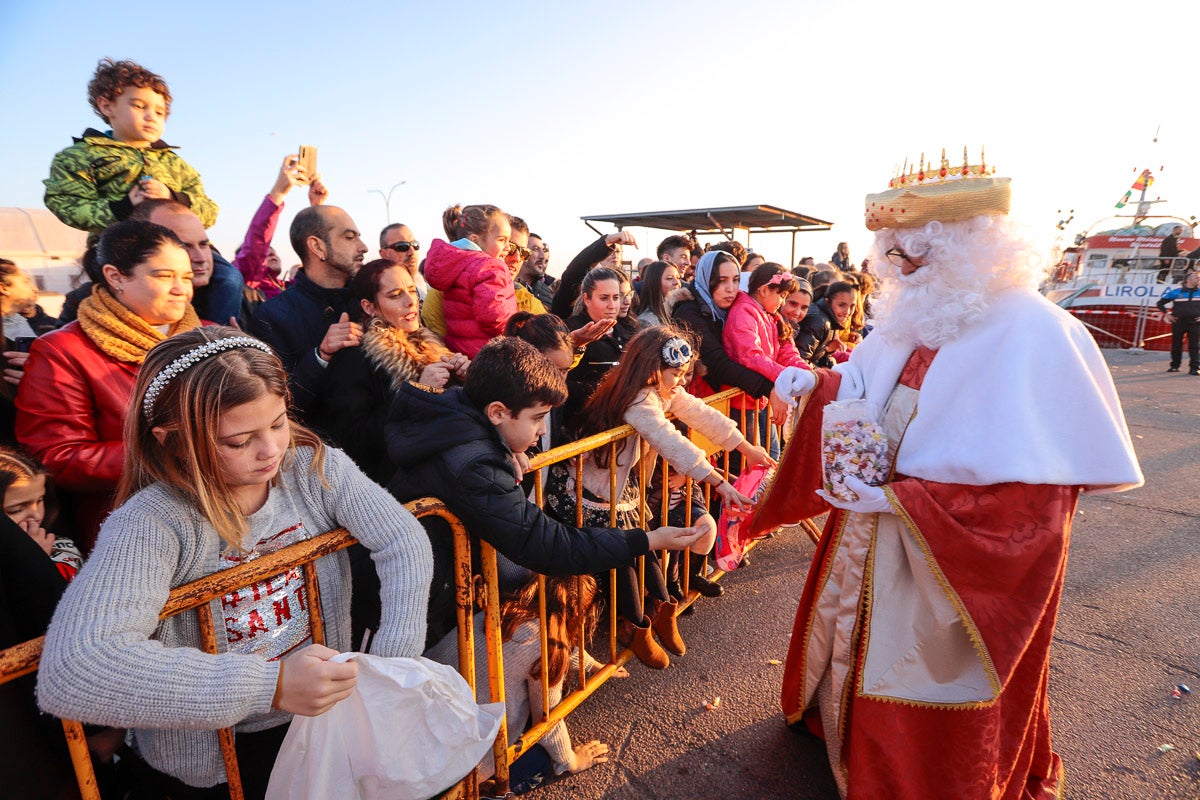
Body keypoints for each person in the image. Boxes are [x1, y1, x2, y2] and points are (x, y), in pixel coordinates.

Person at [756, 160, 1143, 798]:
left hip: (935, 546)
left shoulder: (1038, 333)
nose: (900, 272)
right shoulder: (913, 313)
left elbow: (1036, 505)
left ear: (971, 248)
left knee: (918, 664)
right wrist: (815, 383)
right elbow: (867, 386)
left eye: (914, 257)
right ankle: (843, 730)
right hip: (872, 522)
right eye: (892, 258)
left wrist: (904, 500)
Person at [36, 327, 434, 798]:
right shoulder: (151, 522)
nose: (271, 450)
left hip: (323, 723)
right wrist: (273, 684)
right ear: (173, 441)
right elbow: (77, 669)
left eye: (279, 422)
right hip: (219, 758)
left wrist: (391, 663)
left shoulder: (310, 466)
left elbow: (402, 538)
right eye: (239, 441)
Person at [384, 336, 704, 650]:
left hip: (424, 585)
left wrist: (504, 447)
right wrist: (648, 540)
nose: (542, 430)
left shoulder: (458, 424)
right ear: (497, 412)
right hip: (409, 611)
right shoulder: (475, 466)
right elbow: (545, 543)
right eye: (537, 418)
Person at [548, 327, 772, 667]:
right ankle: (637, 626)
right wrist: (717, 482)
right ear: (652, 369)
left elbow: (703, 414)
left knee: (644, 547)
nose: (681, 382)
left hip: (618, 490)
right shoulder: (639, 399)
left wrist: (745, 447)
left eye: (684, 374)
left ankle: (663, 611)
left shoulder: (661, 391)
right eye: (677, 374)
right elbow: (669, 440)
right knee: (626, 554)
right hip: (589, 493)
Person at [15, 220, 201, 550]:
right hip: (132, 531)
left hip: (219, 513)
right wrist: (174, 451)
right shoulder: (63, 350)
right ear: (115, 277)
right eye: (163, 276)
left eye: (186, 277)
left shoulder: (207, 334)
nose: (181, 290)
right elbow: (57, 455)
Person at [426, 575, 613, 793]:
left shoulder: (504, 609)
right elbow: (547, 719)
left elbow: (534, 645)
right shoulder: (549, 647)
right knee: (541, 762)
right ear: (579, 615)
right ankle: (483, 791)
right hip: (455, 762)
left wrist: (591, 665)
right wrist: (572, 761)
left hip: (422, 721)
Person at [322, 259, 468, 484]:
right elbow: (354, 438)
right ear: (369, 307)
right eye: (395, 295)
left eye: (411, 290)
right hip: (399, 487)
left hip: (448, 469)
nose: (411, 301)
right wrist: (418, 391)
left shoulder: (430, 342)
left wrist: (464, 379)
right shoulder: (353, 357)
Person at [43, 58, 218, 233]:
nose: (151, 117)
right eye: (139, 106)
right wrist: (124, 206)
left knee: (218, 261)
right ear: (106, 106)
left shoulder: (175, 163)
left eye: (159, 112)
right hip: (122, 246)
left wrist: (173, 197)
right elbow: (66, 204)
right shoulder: (81, 156)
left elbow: (209, 211)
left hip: (184, 243)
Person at [247, 205, 367, 422]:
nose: (364, 247)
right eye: (350, 238)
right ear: (317, 246)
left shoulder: (369, 299)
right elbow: (278, 407)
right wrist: (319, 357)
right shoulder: (273, 317)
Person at [668, 251, 790, 421]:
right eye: (721, 280)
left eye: (735, 280)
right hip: (698, 407)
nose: (731, 288)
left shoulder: (731, 308)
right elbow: (717, 363)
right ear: (706, 279)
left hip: (727, 402)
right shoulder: (688, 312)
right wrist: (767, 388)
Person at [722, 263, 809, 458]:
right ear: (763, 290)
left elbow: (787, 352)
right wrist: (786, 376)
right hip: (743, 403)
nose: (783, 301)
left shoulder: (771, 316)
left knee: (772, 454)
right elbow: (751, 356)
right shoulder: (743, 312)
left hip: (760, 399)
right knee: (755, 461)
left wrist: (805, 373)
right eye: (782, 295)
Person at [422, 204, 516, 358]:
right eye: (501, 240)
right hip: (490, 355)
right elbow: (494, 316)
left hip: (460, 351)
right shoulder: (490, 267)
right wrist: (516, 328)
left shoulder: (456, 265)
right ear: (475, 240)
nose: (508, 247)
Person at [235, 154, 329, 304]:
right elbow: (256, 245)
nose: (271, 253)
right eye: (265, 252)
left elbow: (320, 257)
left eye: (273, 251)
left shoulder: (290, 286)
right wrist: (278, 193)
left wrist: (316, 208)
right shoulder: (251, 282)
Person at [0, 446, 82, 582]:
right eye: (16, 510)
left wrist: (38, 560)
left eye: (40, 500)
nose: (37, 516)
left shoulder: (62, 550)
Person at [563, 267, 632, 424]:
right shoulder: (570, 329)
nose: (612, 305)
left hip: (620, 423)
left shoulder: (627, 330)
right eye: (604, 298)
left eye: (616, 297)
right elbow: (560, 380)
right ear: (587, 299)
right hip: (584, 424)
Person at [794, 280, 857, 368]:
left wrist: (828, 352)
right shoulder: (818, 321)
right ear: (828, 301)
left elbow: (821, 357)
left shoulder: (831, 319)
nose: (847, 312)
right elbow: (800, 361)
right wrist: (826, 375)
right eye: (842, 305)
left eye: (852, 306)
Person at [1156, 269, 1200, 374]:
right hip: (1179, 322)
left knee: (1194, 346)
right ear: (1188, 280)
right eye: (1196, 277)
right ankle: (1175, 366)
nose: (1198, 279)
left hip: (1195, 323)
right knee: (1176, 344)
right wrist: (1167, 314)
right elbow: (1160, 303)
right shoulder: (1176, 292)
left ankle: (1194, 368)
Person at [379, 222, 428, 302]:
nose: (412, 252)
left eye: (415, 245)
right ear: (384, 254)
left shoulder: (425, 288)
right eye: (402, 246)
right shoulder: (377, 295)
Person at [637, 260, 682, 326]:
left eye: (678, 277)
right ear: (654, 283)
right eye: (669, 278)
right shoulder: (647, 321)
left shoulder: (681, 312)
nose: (676, 282)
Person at [517, 233, 555, 307]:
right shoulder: (508, 288)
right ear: (523, 253)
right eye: (535, 249)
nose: (542, 256)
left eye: (543, 250)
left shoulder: (546, 293)